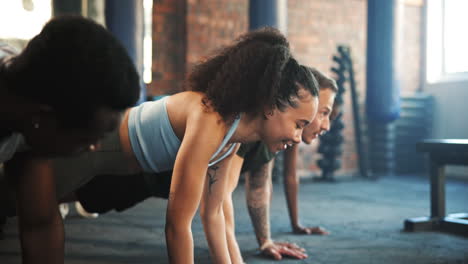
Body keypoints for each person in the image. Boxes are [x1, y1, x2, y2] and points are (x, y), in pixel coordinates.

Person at [5, 28, 321, 264]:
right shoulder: (211, 120)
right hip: (100, 145)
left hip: (118, 164)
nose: (299, 137)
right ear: (269, 106)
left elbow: (213, 214)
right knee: (18, 206)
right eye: (299, 124)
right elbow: (177, 225)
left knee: (33, 212)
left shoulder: (234, 137)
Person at [63, 67, 337, 263]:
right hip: (117, 155)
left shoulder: (244, 137)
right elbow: (187, 222)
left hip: (144, 166)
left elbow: (224, 205)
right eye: (320, 114)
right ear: (273, 107)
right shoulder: (226, 125)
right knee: (45, 199)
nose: (322, 123)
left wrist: (264, 240)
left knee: (48, 203)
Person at [0, 15, 140, 263]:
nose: (94, 147)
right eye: (88, 138)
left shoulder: (31, 102)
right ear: (44, 116)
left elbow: (39, 226)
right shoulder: (34, 111)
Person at [228, 67, 339, 260]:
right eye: (323, 113)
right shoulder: (250, 128)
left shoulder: (281, 134)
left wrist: (290, 228)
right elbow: (218, 201)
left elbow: (267, 183)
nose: (327, 125)